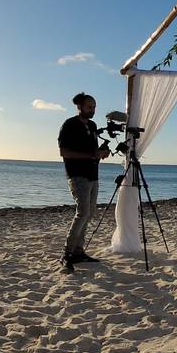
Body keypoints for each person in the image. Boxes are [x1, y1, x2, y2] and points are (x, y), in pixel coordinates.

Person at [58, 92, 111, 271]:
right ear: (79, 107)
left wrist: (102, 152)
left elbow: (93, 151)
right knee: (82, 213)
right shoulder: (69, 125)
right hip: (77, 175)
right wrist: (91, 155)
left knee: (89, 214)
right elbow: (64, 152)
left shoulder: (93, 125)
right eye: (89, 107)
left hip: (93, 175)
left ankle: (78, 252)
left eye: (94, 107)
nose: (93, 110)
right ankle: (67, 254)